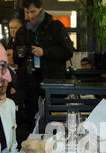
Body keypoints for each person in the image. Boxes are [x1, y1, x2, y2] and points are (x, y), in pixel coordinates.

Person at [14, 0, 74, 133]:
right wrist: (21, 53)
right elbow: (15, 58)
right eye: (26, 12)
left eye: (33, 11)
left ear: (40, 8)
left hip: (52, 85)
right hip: (29, 87)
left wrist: (45, 52)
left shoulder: (55, 27)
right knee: (29, 126)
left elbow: (68, 51)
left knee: (54, 126)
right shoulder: (22, 31)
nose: (30, 15)